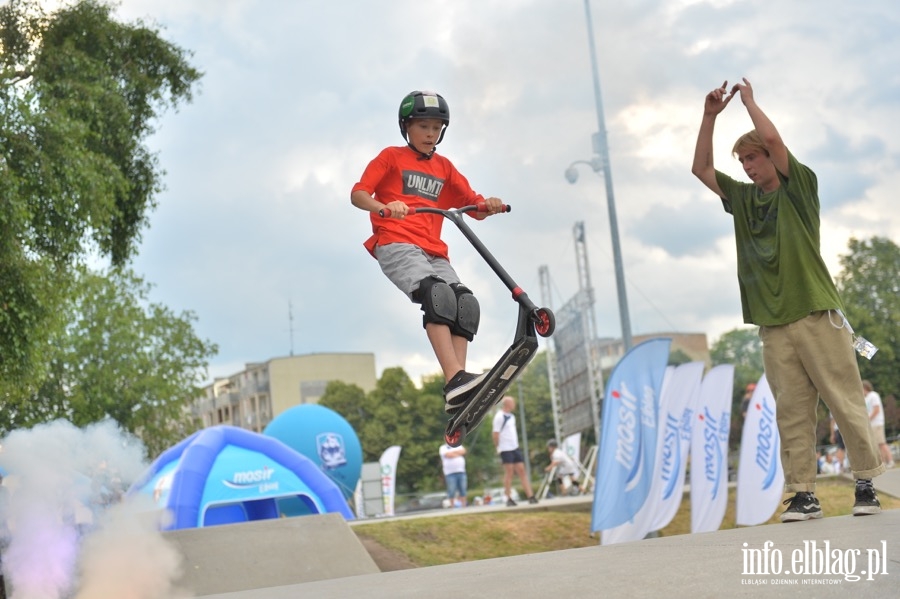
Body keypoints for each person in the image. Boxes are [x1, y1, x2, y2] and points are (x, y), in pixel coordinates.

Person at [691, 78, 885, 522]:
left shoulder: (799, 188)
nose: (746, 167)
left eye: (753, 158)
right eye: (742, 161)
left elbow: (775, 139)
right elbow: (701, 170)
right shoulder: (742, 199)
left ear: (771, 159)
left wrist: (749, 103)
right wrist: (708, 118)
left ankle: (865, 482)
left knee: (844, 399)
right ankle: (803, 493)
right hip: (773, 323)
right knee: (792, 412)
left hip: (817, 313)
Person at [351, 91, 504, 413]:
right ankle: (456, 379)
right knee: (437, 295)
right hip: (396, 242)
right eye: (423, 126)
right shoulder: (390, 157)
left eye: (436, 127)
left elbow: (471, 206)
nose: (430, 134)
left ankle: (459, 389)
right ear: (407, 127)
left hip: (434, 250)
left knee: (465, 303)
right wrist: (383, 208)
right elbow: (358, 194)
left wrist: (487, 205)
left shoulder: (444, 167)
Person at [492, 396, 537, 506]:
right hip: (505, 448)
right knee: (509, 473)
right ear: (507, 404)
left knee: (522, 471)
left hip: (514, 447)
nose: (514, 404)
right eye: (512, 402)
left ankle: (530, 496)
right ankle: (508, 498)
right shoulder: (499, 417)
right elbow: (495, 434)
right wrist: (498, 447)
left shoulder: (512, 417)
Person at [863, 380, 894, 468]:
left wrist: (868, 419)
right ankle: (882, 462)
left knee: (882, 443)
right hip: (872, 424)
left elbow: (876, 409)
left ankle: (890, 460)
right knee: (876, 444)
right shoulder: (866, 398)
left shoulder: (873, 395)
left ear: (865, 388)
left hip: (877, 423)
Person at [439, 442, 468, 507]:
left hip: (461, 471)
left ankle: (464, 505)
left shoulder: (459, 445)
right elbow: (448, 455)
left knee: (463, 489)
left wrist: (454, 453)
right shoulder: (443, 448)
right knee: (451, 490)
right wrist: (458, 453)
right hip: (450, 473)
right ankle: (452, 506)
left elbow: (463, 451)